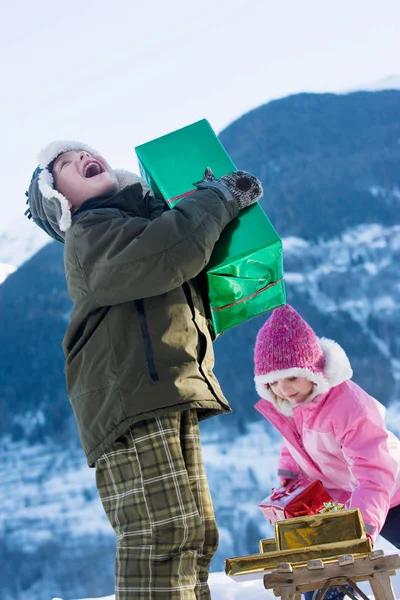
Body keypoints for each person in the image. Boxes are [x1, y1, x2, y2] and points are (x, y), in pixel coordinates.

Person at [25, 140, 263, 600]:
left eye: (81, 152)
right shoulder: (91, 232)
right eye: (63, 166)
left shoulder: (134, 225)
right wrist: (217, 198)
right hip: (130, 402)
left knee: (194, 536)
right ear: (62, 203)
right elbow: (170, 253)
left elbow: (180, 269)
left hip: (162, 394)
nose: (79, 158)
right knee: (163, 534)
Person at [253, 303, 400, 600]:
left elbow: (374, 470)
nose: (283, 389)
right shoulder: (295, 403)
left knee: (348, 552)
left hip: (390, 491)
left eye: (291, 377)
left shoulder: (349, 407)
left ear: (312, 369)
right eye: (273, 381)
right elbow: (296, 439)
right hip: (347, 496)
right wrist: (289, 471)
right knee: (323, 574)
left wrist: (362, 529)